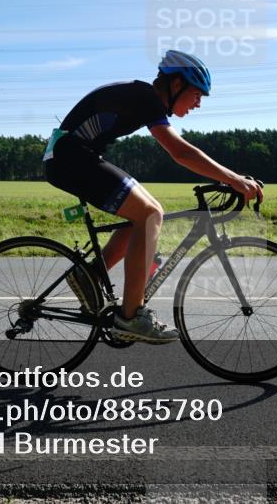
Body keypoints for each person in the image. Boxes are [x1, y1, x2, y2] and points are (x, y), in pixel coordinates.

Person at [43, 50, 263, 344]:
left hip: (74, 156)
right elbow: (180, 152)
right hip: (71, 158)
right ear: (176, 85)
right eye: (197, 94)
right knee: (149, 215)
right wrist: (234, 179)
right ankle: (131, 317)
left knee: (146, 212)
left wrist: (231, 178)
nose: (198, 103)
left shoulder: (143, 98)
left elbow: (181, 151)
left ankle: (90, 276)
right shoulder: (145, 98)